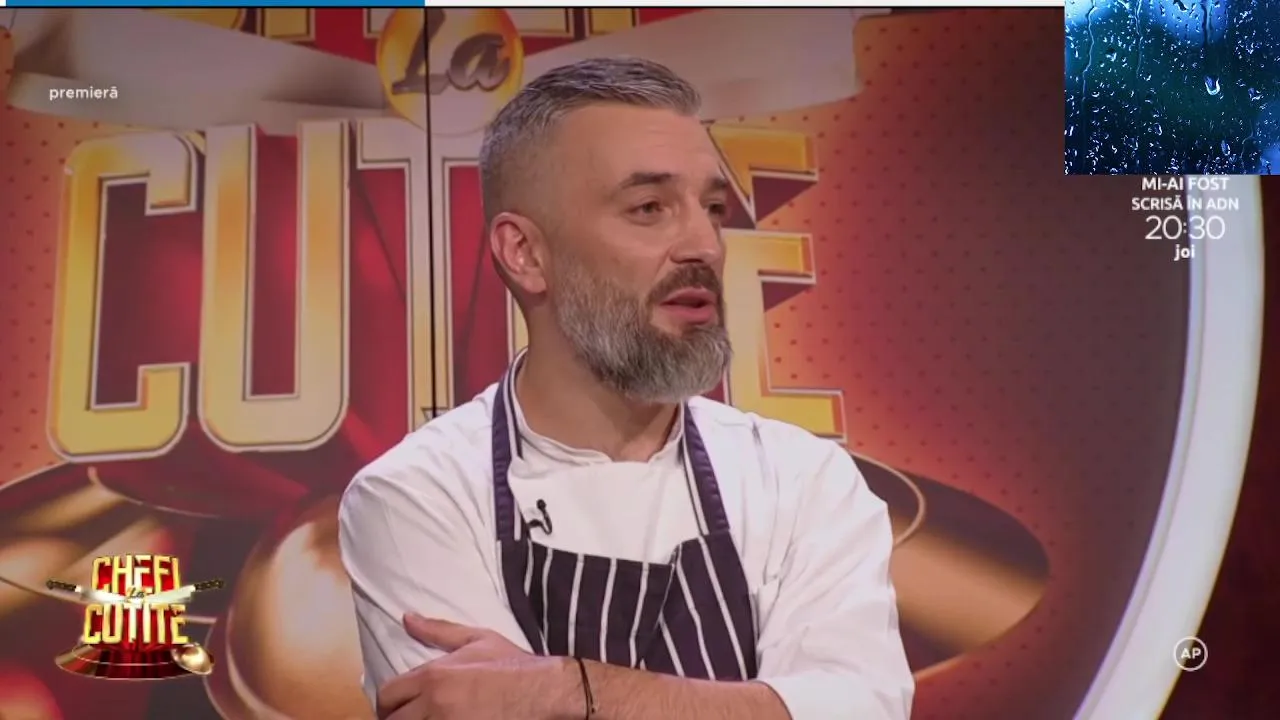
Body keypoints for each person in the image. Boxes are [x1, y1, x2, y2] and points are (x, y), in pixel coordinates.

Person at [339, 56, 914, 720]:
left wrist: (563, 691)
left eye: (712, 208)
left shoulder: (801, 480)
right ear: (525, 253)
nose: (705, 245)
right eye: (649, 208)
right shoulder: (416, 498)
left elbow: (859, 707)